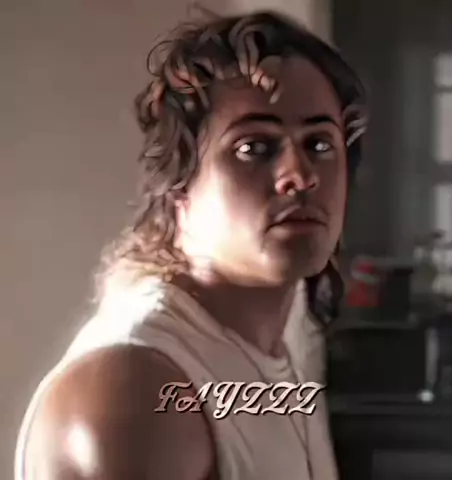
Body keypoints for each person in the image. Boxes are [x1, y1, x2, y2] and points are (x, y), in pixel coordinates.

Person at [15, 9, 367, 480]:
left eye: (319, 144)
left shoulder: (274, 354)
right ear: (179, 187)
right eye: (254, 148)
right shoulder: (140, 385)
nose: (301, 176)